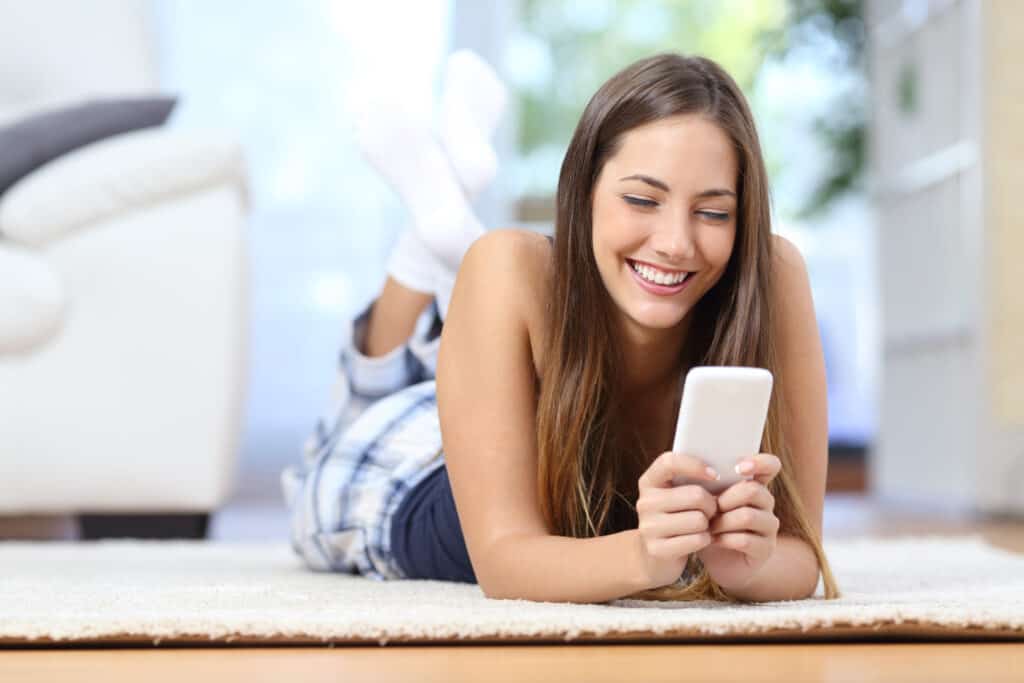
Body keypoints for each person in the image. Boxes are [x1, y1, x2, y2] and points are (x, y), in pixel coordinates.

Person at [281, 51, 841, 605]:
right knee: (349, 424)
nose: (676, 243)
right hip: (408, 471)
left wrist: (748, 566)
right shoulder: (507, 264)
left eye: (714, 213)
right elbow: (503, 562)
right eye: (642, 199)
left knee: (450, 339)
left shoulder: (774, 275)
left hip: (514, 396)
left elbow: (799, 555)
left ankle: (437, 231)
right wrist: (645, 557)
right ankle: (425, 243)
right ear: (584, 190)